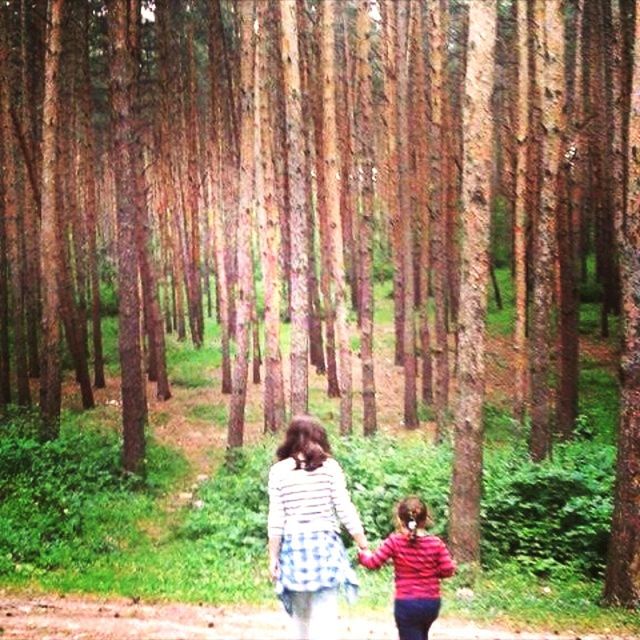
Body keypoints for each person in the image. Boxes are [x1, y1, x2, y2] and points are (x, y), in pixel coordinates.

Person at [267, 415, 368, 640]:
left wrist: (273, 557)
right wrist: (362, 544)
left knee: (299, 618)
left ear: (290, 439)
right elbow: (344, 509)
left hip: (294, 548)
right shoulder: (330, 468)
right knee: (326, 616)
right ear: (320, 437)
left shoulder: (279, 471)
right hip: (325, 547)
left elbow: (276, 519)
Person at [358, 496, 456, 640]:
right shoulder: (436, 543)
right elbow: (448, 569)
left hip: (407, 604)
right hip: (431, 604)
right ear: (426, 518)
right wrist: (432, 572)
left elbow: (373, 562)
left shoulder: (394, 541)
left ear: (399, 519)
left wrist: (362, 555)